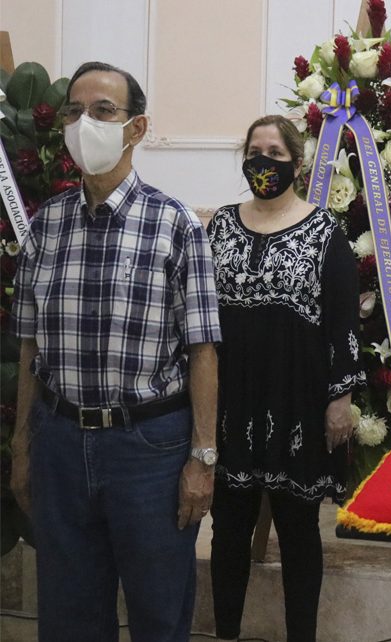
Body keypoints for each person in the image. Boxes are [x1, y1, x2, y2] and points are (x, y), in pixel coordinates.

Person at [10, 61, 221, 641]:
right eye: (75, 112)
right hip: (60, 442)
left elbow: (204, 349)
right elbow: (30, 342)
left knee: (158, 613)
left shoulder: (176, 225)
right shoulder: (46, 228)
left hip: (149, 449)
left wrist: (202, 459)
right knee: (69, 616)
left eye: (103, 111)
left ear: (137, 128)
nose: (85, 123)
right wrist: (23, 444)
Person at [206, 114, 365, 642]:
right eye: (255, 151)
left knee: (299, 534)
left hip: (298, 405)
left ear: (295, 164)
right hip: (231, 405)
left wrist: (339, 399)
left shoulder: (325, 233)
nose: (263, 162)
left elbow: (343, 325)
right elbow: (201, 317)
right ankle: (225, 632)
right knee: (228, 530)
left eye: (275, 153)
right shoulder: (221, 226)